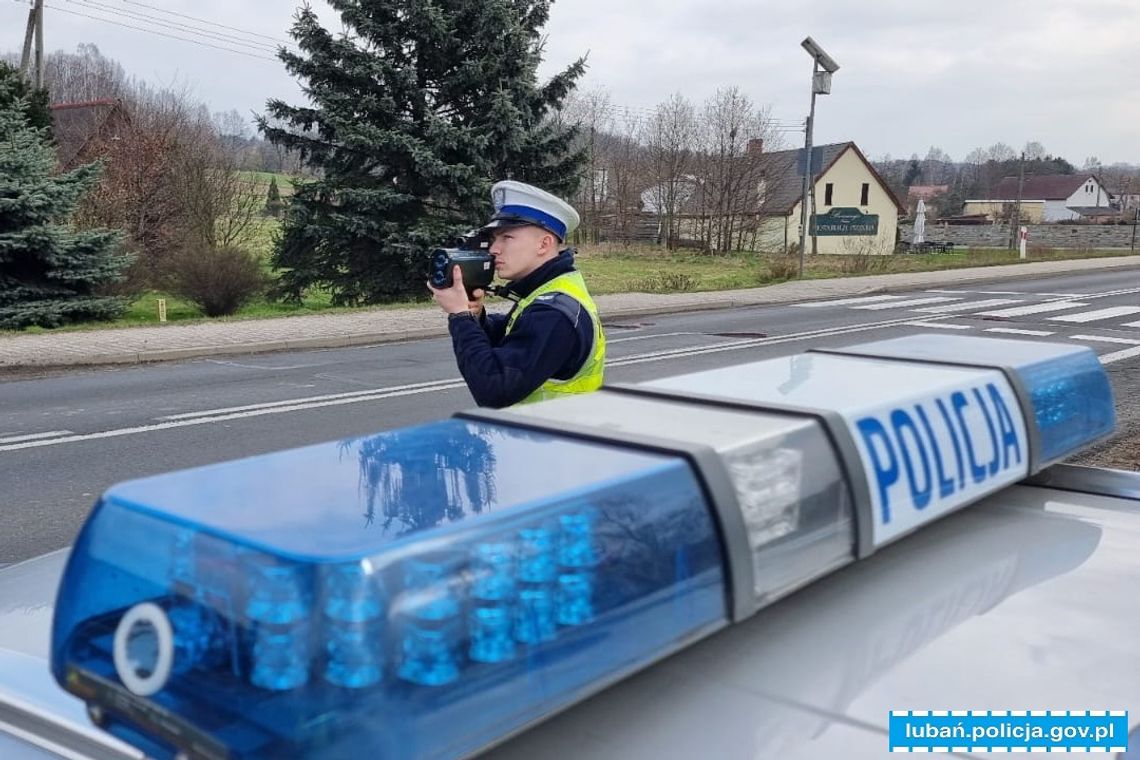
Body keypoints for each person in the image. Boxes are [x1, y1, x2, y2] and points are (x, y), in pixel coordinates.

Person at [428, 180, 605, 408]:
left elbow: (494, 389)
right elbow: (515, 338)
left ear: (543, 244)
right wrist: (476, 316)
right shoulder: (548, 292)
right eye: (493, 239)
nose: (493, 249)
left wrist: (460, 317)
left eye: (507, 238)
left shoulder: (553, 313)